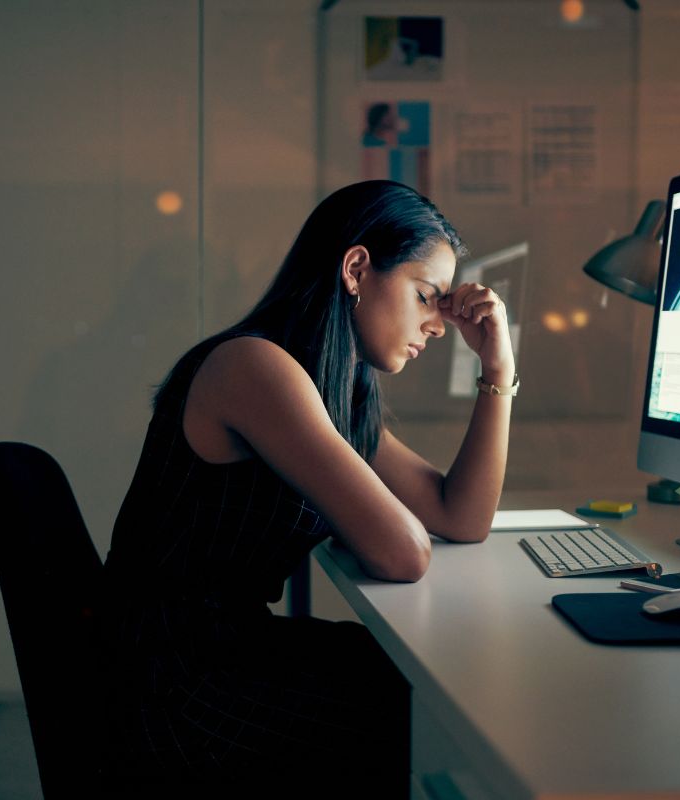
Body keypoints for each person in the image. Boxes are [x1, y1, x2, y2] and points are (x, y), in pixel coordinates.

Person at [98, 180, 516, 795]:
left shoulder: (334, 389)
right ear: (356, 269)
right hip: (169, 685)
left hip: (221, 653)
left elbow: (461, 516)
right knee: (417, 705)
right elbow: (405, 553)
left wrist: (499, 370)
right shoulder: (254, 368)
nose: (436, 326)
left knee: (414, 681)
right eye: (426, 296)